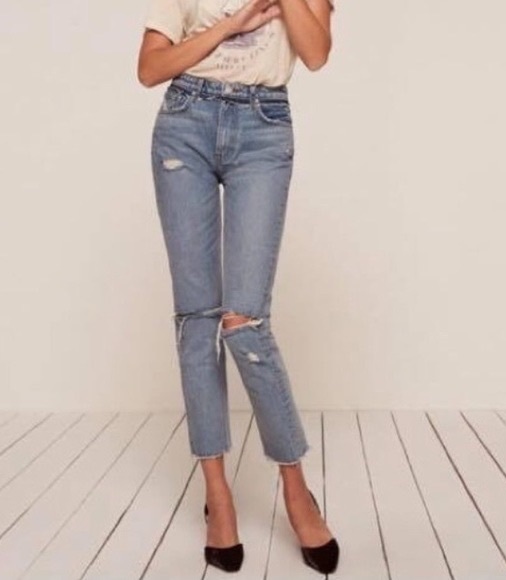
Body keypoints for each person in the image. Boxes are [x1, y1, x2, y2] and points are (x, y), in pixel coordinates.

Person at [137, 0, 338, 573]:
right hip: (185, 123)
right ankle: (217, 495)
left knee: (246, 322)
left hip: (263, 126)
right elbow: (150, 69)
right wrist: (231, 25)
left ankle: (297, 491)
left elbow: (316, 54)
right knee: (198, 323)